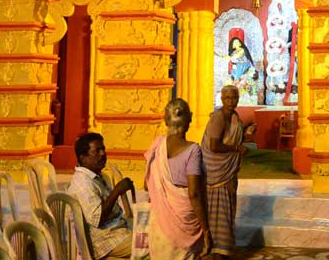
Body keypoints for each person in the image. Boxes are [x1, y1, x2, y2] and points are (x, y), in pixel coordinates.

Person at [144, 99, 212, 260]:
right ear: (190, 118)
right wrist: (206, 230)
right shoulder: (193, 150)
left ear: (166, 120)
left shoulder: (157, 145)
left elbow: (147, 185)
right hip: (186, 222)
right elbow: (194, 194)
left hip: (160, 221)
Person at [201, 85, 256, 259]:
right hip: (216, 172)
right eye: (227, 98)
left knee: (227, 210)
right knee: (218, 211)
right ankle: (217, 248)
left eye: (234, 98)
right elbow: (214, 146)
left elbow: (232, 137)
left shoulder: (234, 117)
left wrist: (246, 133)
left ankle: (223, 248)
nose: (231, 101)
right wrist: (237, 148)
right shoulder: (218, 117)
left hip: (227, 173)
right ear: (222, 99)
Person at [67, 132, 135, 259]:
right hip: (104, 242)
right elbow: (98, 219)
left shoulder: (98, 176)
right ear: (83, 157)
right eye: (97, 151)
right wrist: (117, 191)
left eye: (103, 149)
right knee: (151, 245)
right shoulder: (83, 182)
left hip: (117, 231)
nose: (103, 154)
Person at [225, 38, 258, 103]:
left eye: (237, 42)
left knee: (240, 80)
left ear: (240, 43)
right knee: (233, 79)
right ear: (232, 45)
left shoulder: (241, 50)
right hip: (237, 67)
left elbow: (237, 56)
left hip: (244, 66)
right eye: (234, 43)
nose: (236, 43)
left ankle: (243, 93)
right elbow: (232, 59)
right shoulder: (233, 52)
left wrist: (228, 57)